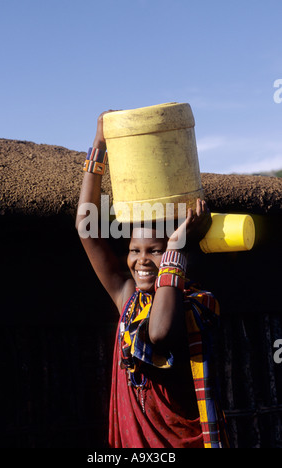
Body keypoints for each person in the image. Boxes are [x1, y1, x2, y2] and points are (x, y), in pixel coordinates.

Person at [76, 111, 229, 449]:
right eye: (134, 250)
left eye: (155, 251)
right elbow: (87, 231)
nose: (141, 260)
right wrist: (99, 145)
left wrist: (176, 247)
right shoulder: (129, 298)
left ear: (175, 256)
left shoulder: (196, 306)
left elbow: (158, 333)